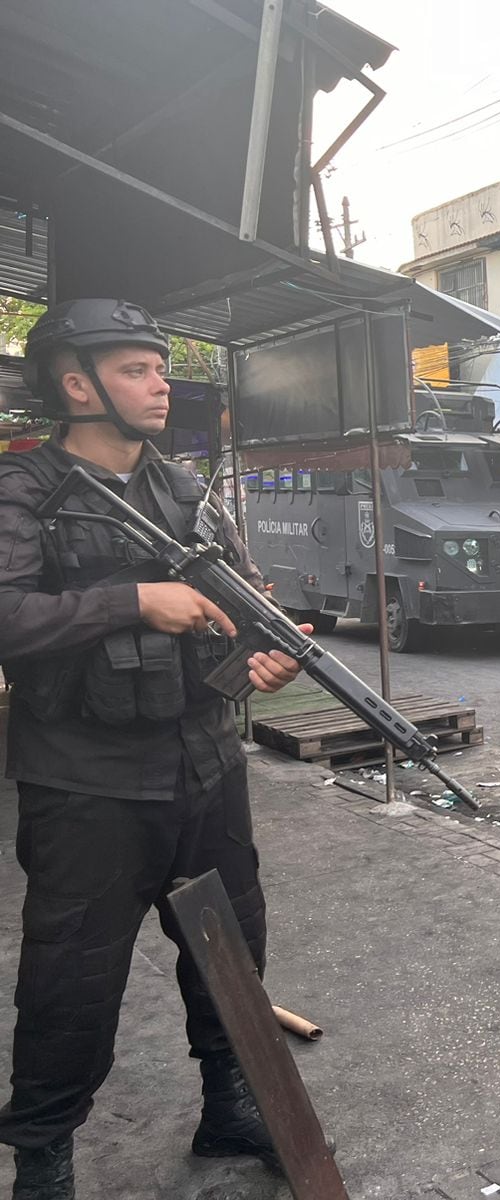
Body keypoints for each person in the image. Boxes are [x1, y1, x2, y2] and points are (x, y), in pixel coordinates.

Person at [0, 300, 307, 1199]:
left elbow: (245, 599)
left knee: (231, 951)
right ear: (75, 382)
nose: (161, 382)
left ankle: (228, 1104)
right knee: (73, 974)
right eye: (137, 368)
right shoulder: (21, 491)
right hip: (85, 780)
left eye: (159, 366)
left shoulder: (184, 488)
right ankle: (45, 1155)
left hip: (207, 764)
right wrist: (133, 601)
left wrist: (267, 654)